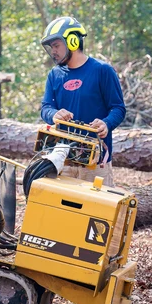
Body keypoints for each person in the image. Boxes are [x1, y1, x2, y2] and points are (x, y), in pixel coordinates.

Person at [39, 16, 126, 186]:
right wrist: (54, 114)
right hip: (63, 159)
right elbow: (46, 107)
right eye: (51, 47)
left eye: (56, 45)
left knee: (98, 211)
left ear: (72, 41)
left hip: (95, 162)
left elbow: (118, 108)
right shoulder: (54, 75)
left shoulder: (102, 70)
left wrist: (106, 124)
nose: (53, 51)